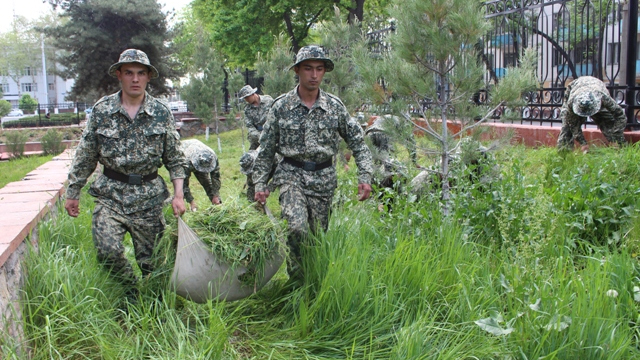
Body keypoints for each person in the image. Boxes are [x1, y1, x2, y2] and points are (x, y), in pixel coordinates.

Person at [64, 49, 187, 295]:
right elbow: (86, 154)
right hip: (111, 194)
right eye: (129, 73)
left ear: (148, 77)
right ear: (119, 75)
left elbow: (175, 157)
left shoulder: (161, 112)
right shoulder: (102, 110)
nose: (135, 79)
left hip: (149, 198)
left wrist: (179, 195)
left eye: (141, 73)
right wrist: (73, 190)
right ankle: (131, 294)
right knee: (107, 252)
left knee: (153, 264)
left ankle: (154, 307)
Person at [252, 45, 374, 282]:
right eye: (308, 69)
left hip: (323, 180)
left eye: (319, 69)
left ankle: (312, 282)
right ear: (297, 70)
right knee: (296, 228)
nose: (314, 75)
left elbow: (359, 143)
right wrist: (259, 182)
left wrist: (365, 177)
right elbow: (266, 150)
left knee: (316, 238)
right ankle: (296, 284)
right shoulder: (281, 107)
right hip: (291, 175)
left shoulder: (334, 107)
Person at [557, 76, 627, 152]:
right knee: (567, 127)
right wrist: (583, 143)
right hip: (575, 86)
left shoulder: (602, 97)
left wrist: (616, 134)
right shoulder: (571, 102)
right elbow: (573, 124)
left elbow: (620, 116)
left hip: (597, 87)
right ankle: (564, 155)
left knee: (609, 124)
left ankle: (621, 152)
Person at [238, 85, 274, 201]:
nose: (247, 100)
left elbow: (276, 115)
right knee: (251, 163)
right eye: (245, 98)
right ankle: (251, 196)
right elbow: (249, 126)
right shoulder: (247, 110)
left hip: (272, 135)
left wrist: (270, 135)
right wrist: (260, 138)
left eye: (248, 97)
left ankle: (268, 186)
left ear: (253, 94)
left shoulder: (268, 101)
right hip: (256, 139)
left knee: (276, 161)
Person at [181, 139, 221, 211]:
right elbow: (183, 184)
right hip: (184, 154)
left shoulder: (212, 156)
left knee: (206, 181)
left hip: (196, 150)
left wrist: (216, 195)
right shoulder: (185, 161)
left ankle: (217, 204)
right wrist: (191, 201)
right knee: (179, 188)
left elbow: (215, 177)